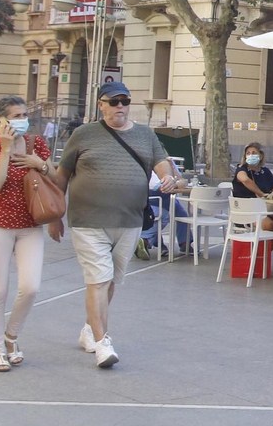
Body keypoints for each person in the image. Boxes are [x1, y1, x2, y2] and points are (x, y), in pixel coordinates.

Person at [56, 81, 182, 368]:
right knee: (98, 280)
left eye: (124, 101)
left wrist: (168, 178)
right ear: (101, 104)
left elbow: (162, 164)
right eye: (113, 102)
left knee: (110, 281)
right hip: (88, 220)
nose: (120, 106)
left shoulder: (145, 135)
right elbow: (61, 176)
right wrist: (54, 216)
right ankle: (103, 343)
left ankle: (89, 330)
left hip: (128, 220)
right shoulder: (83, 134)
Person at [0, 97, 63, 372]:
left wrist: (40, 163)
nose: (23, 119)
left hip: (29, 225)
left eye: (25, 114)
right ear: (1, 122)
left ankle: (11, 336)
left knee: (31, 286)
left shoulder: (37, 144)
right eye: (16, 116)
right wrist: (4, 150)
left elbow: (57, 179)